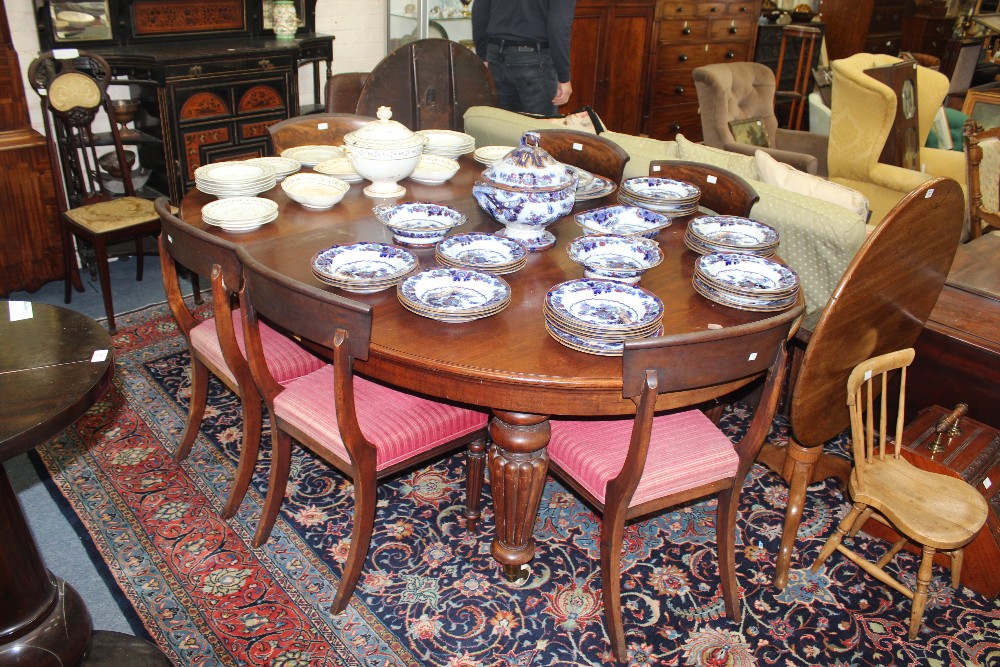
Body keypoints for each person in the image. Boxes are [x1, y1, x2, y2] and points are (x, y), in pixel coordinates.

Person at [472, 0, 576, 116]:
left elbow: (479, 12)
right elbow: (559, 26)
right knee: (537, 128)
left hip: (496, 56)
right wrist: (564, 77)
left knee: (503, 126)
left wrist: (483, 56)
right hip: (534, 61)